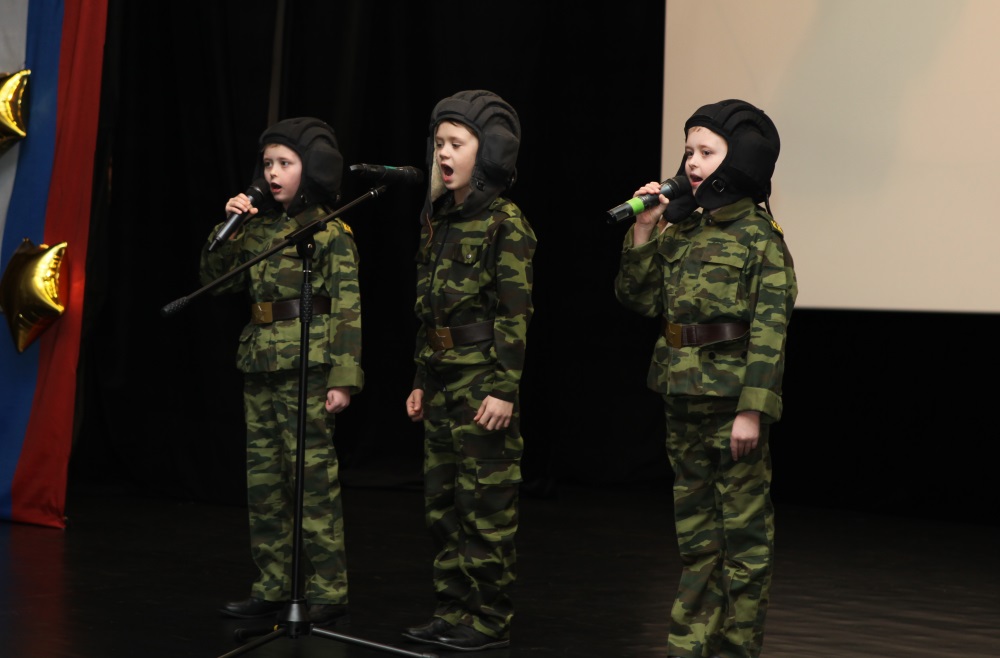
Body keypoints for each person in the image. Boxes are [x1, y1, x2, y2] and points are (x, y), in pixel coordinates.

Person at [614, 99, 797, 658]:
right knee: (696, 535)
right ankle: (690, 644)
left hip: (730, 403)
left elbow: (770, 331)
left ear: (738, 159)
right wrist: (644, 229)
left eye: (707, 152)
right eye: (688, 151)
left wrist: (752, 410)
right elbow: (638, 299)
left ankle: (736, 647)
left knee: (743, 536)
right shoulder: (682, 228)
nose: (692, 162)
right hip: (681, 396)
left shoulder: (760, 238)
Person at [199, 117, 363, 627]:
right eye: (267, 163)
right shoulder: (258, 229)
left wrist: (344, 377)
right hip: (262, 362)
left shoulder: (330, 231)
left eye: (285, 163)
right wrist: (229, 226)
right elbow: (215, 279)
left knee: (311, 479)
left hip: (307, 365)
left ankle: (328, 589)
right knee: (265, 480)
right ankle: (272, 585)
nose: (272, 173)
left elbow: (348, 308)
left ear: (310, 168)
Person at [402, 90, 536, 652]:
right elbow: (428, 308)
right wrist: (419, 378)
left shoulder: (506, 223)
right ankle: (451, 608)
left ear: (488, 152)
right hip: (440, 378)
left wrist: (504, 389)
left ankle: (487, 618)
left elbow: (515, 314)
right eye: (439, 143)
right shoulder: (439, 219)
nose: (444, 154)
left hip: (482, 381)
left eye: (457, 144)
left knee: (485, 505)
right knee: (443, 504)